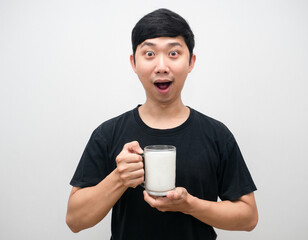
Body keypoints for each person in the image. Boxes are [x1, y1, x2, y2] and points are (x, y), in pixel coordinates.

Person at [66, 8, 258, 240]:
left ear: (191, 62)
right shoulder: (107, 134)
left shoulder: (217, 135)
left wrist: (189, 204)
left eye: (174, 53)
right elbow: (75, 221)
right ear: (133, 63)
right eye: (149, 54)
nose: (162, 66)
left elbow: (248, 218)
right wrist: (119, 178)